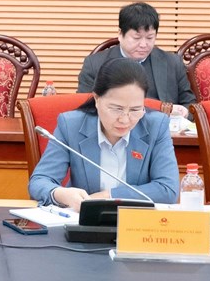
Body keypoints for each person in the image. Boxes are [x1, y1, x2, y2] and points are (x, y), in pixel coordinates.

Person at [30, 57, 179, 211]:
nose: (125, 119)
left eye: (135, 109)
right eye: (116, 109)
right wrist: (60, 194)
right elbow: (39, 181)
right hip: (84, 221)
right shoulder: (71, 125)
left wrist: (109, 196)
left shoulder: (156, 126)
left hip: (136, 221)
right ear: (97, 99)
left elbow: (168, 189)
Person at [77, 2, 195, 118]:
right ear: (120, 34)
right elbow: (85, 109)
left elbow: (191, 106)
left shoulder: (173, 63)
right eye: (136, 38)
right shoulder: (94, 64)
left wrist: (184, 113)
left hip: (164, 127)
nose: (143, 44)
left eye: (149, 38)